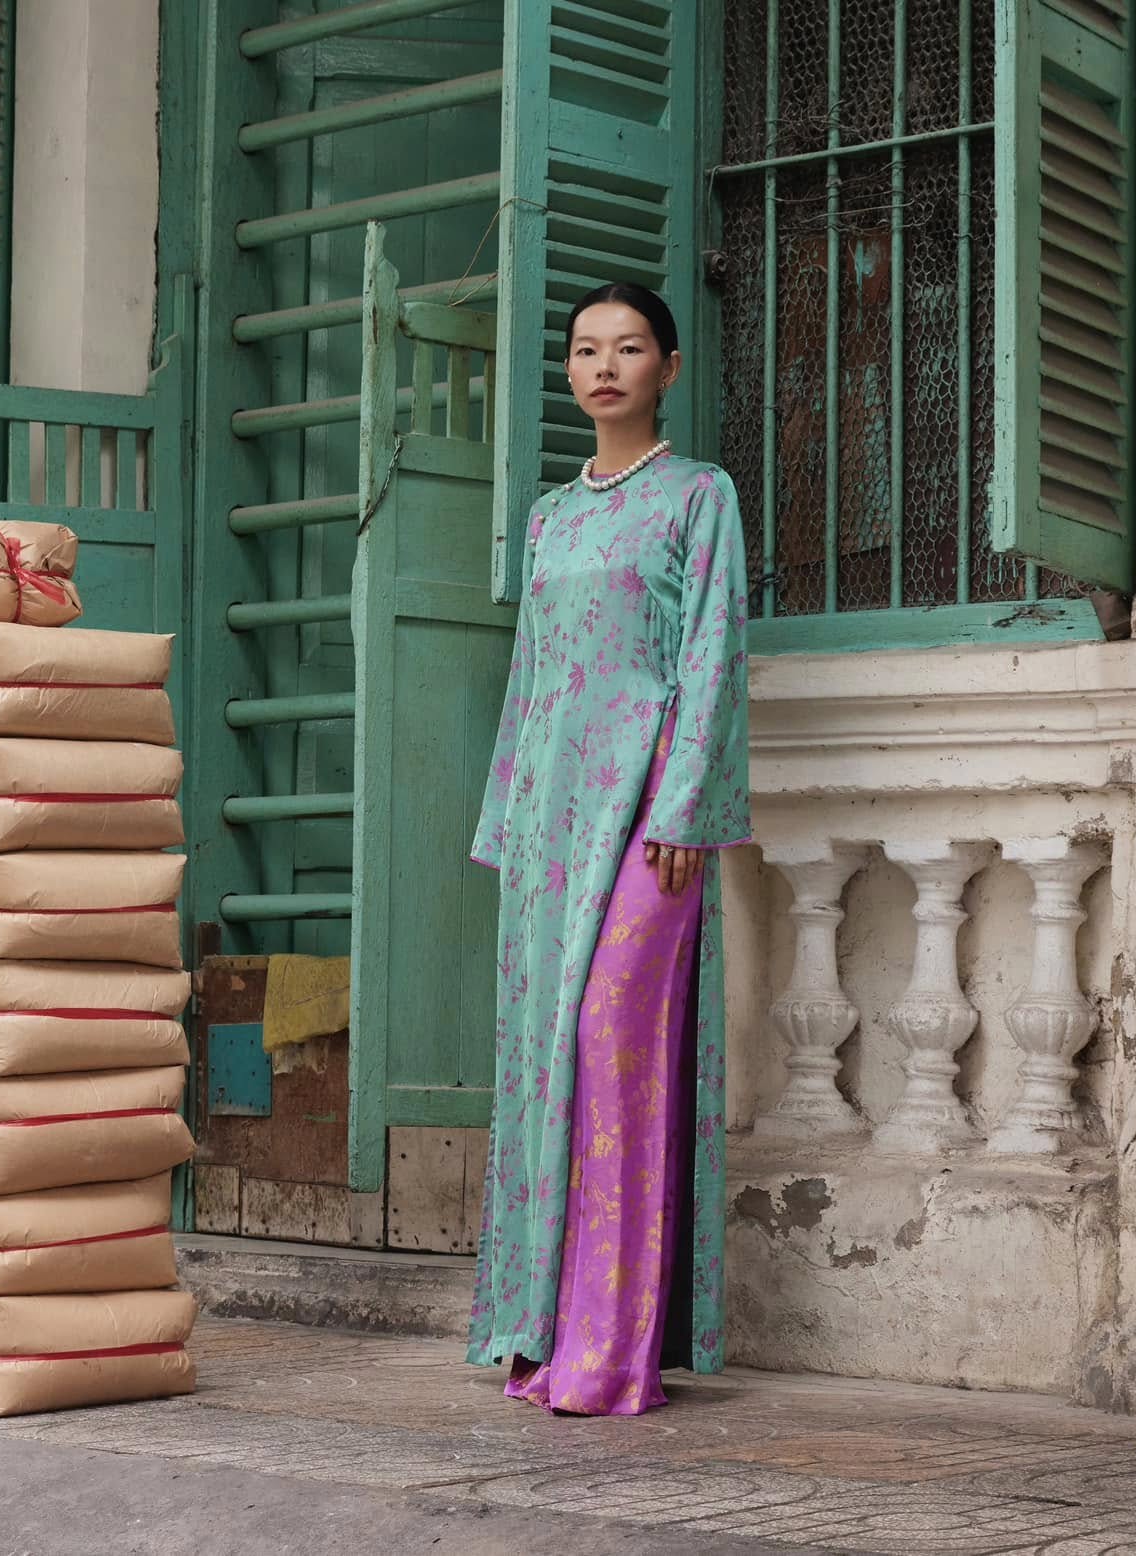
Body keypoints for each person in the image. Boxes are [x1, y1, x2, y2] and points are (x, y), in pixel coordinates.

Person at [466, 281, 752, 1416]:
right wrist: (505, 819)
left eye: (628, 347)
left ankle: (614, 1347)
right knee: (545, 1063)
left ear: (667, 367)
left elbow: (713, 651)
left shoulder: (698, 496)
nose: (603, 365)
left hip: (648, 816)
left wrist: (683, 804)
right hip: (548, 820)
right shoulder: (547, 515)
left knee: (609, 1046)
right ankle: (538, 1329)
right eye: (585, 348)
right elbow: (530, 673)